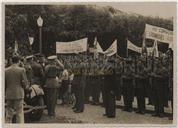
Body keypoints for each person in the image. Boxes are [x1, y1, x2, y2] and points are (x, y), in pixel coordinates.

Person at [5, 55, 29, 123]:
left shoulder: (5, 70)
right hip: (19, 94)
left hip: (9, 94)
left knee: (8, 114)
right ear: (19, 61)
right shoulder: (22, 70)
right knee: (19, 114)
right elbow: (25, 83)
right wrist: (26, 87)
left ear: (11, 61)